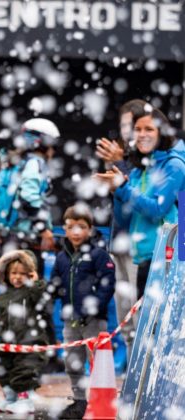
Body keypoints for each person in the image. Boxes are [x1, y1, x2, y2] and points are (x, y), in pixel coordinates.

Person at [95, 105, 185, 300]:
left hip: (168, 260)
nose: (142, 134)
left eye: (149, 129)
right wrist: (117, 192)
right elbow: (125, 220)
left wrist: (124, 188)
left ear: (162, 132)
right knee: (140, 321)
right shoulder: (138, 170)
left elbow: (157, 209)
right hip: (143, 259)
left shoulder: (174, 164)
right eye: (137, 129)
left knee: (160, 320)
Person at [48, 204, 116, 418]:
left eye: (81, 226)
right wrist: (46, 295)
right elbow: (55, 284)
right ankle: (79, 402)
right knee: (72, 362)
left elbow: (107, 285)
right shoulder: (62, 257)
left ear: (90, 229)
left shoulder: (99, 255)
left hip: (93, 321)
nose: (76, 232)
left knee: (97, 361)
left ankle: (99, 402)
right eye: (71, 227)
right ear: (65, 229)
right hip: (70, 320)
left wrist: (93, 308)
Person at [95, 99, 146, 363]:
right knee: (124, 312)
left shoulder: (156, 160)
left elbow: (144, 202)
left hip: (143, 246)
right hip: (119, 243)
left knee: (141, 312)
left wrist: (121, 167)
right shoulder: (126, 157)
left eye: (131, 124)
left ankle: (143, 369)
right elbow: (120, 203)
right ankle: (131, 370)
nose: (126, 131)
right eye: (123, 125)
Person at [0, 250, 51, 415]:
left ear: (30, 274)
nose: (18, 277)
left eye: (23, 273)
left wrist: (35, 283)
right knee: (2, 368)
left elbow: (43, 301)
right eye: (14, 273)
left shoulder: (32, 292)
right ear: (6, 274)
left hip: (30, 343)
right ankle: (11, 398)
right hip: (7, 344)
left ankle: (25, 400)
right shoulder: (4, 295)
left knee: (24, 371)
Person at [0, 118, 58, 274]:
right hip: (26, 239)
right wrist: (44, 229)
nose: (54, 151)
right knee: (30, 284)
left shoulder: (12, 163)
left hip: (6, 236)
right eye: (53, 145)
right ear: (43, 143)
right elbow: (28, 198)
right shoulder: (35, 163)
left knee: (9, 283)